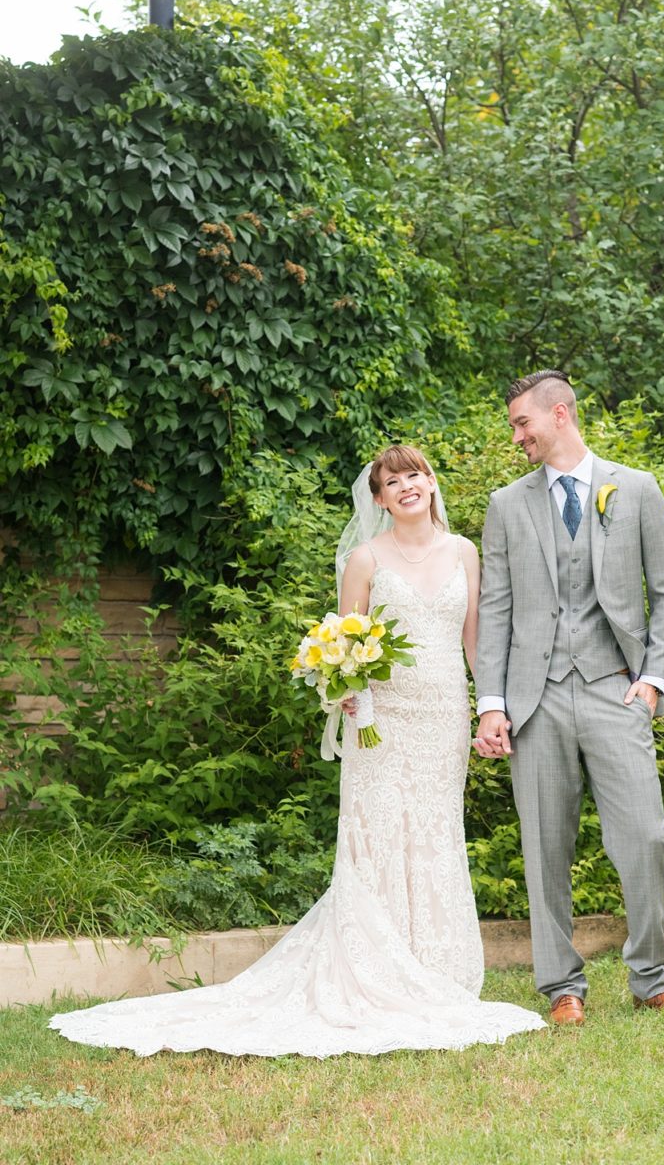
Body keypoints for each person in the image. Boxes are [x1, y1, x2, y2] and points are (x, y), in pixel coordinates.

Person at [50, 445, 545, 1057]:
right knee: (379, 833)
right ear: (380, 498)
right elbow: (346, 641)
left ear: (431, 483)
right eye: (393, 482)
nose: (407, 487)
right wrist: (352, 696)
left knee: (436, 831)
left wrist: (488, 708)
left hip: (442, 716)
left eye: (415, 475)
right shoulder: (364, 559)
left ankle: (435, 970)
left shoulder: (464, 552)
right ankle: (373, 970)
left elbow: (475, 641)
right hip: (381, 722)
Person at [473, 371, 664, 1027]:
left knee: (646, 838)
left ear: (560, 414)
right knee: (544, 847)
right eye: (515, 426)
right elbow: (495, 610)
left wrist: (653, 681)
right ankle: (560, 989)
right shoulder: (506, 504)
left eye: (523, 423)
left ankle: (650, 978)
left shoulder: (634, 489)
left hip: (613, 689)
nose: (517, 436)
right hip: (534, 699)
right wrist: (491, 702)